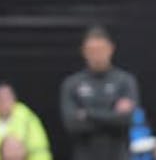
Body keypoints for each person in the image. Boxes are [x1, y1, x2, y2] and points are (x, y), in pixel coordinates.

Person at [59, 26, 140, 160]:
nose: (97, 55)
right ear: (84, 52)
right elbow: (72, 125)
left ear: (111, 49)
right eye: (92, 50)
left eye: (101, 50)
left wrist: (87, 114)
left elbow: (125, 120)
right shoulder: (72, 84)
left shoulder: (125, 81)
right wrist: (111, 114)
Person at [0, 82, 52, 160]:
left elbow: (41, 151)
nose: (4, 102)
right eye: (0, 98)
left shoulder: (27, 118)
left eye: (7, 97)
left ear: (14, 99)